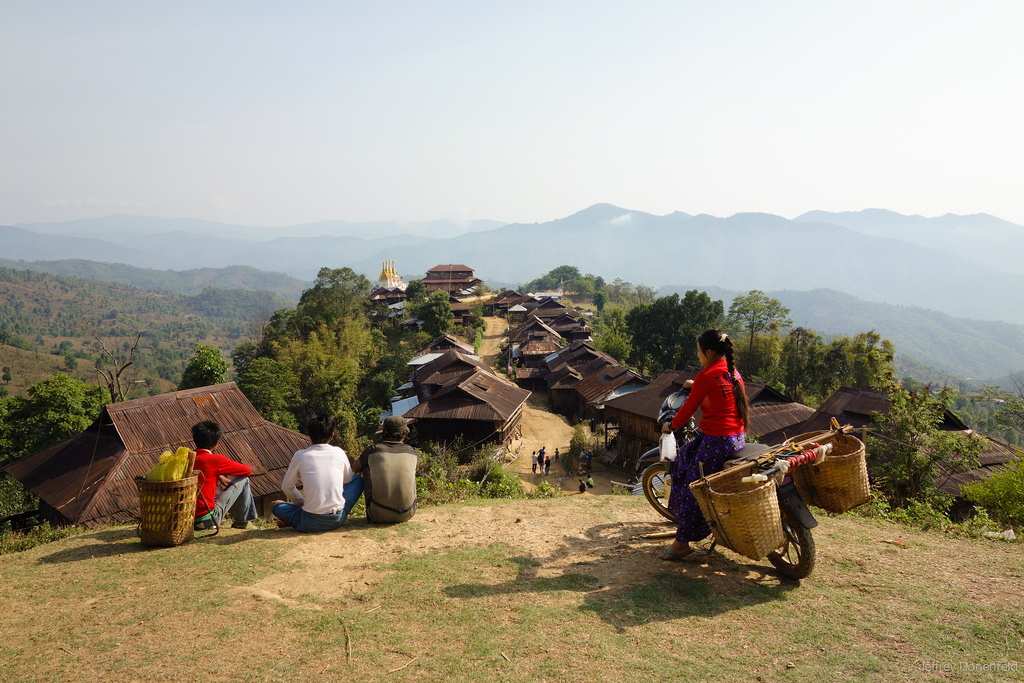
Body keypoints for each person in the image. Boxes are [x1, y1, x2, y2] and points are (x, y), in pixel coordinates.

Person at [660, 329, 748, 561]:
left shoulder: (706, 377)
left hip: (718, 440)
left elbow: (688, 408)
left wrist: (671, 425)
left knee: (693, 487)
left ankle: (682, 543)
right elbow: (715, 392)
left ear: (709, 352)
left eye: (699, 352)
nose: (697, 356)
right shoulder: (732, 372)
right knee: (686, 456)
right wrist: (694, 384)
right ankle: (689, 525)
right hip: (736, 437)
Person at [273, 415, 364, 533]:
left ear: (308, 434)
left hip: (308, 521)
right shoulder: (339, 452)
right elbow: (347, 481)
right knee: (358, 480)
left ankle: (293, 520)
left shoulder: (300, 455)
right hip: (337, 519)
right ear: (332, 435)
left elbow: (286, 487)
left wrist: (301, 503)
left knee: (275, 504)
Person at [191, 420, 258, 531]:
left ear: (194, 440)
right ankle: (242, 522)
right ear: (216, 443)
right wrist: (220, 471)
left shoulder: (186, 458)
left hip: (186, 519)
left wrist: (219, 475)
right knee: (244, 480)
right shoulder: (215, 460)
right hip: (208, 519)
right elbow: (247, 471)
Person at [353, 416, 418, 524]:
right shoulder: (412, 452)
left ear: (384, 432)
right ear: (403, 434)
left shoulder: (372, 451)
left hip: (377, 515)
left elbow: (355, 468)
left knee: (366, 467)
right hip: (408, 513)